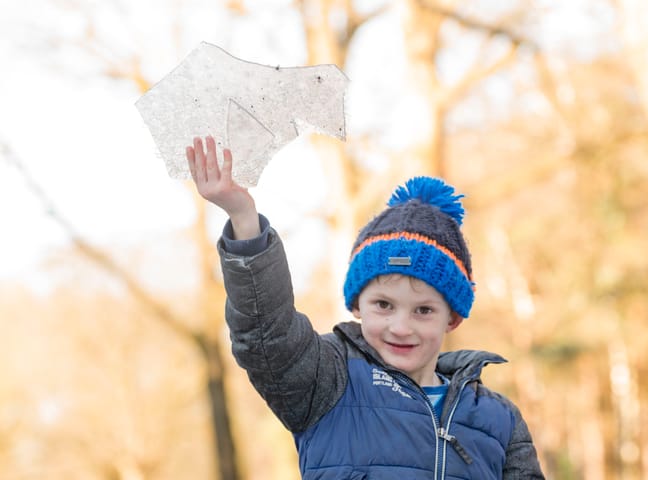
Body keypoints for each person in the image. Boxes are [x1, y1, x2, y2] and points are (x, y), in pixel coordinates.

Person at [186, 135, 546, 479]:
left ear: (452, 317)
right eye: (384, 305)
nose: (401, 326)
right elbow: (267, 336)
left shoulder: (499, 420)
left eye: (423, 310)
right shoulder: (328, 379)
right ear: (357, 304)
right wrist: (244, 220)